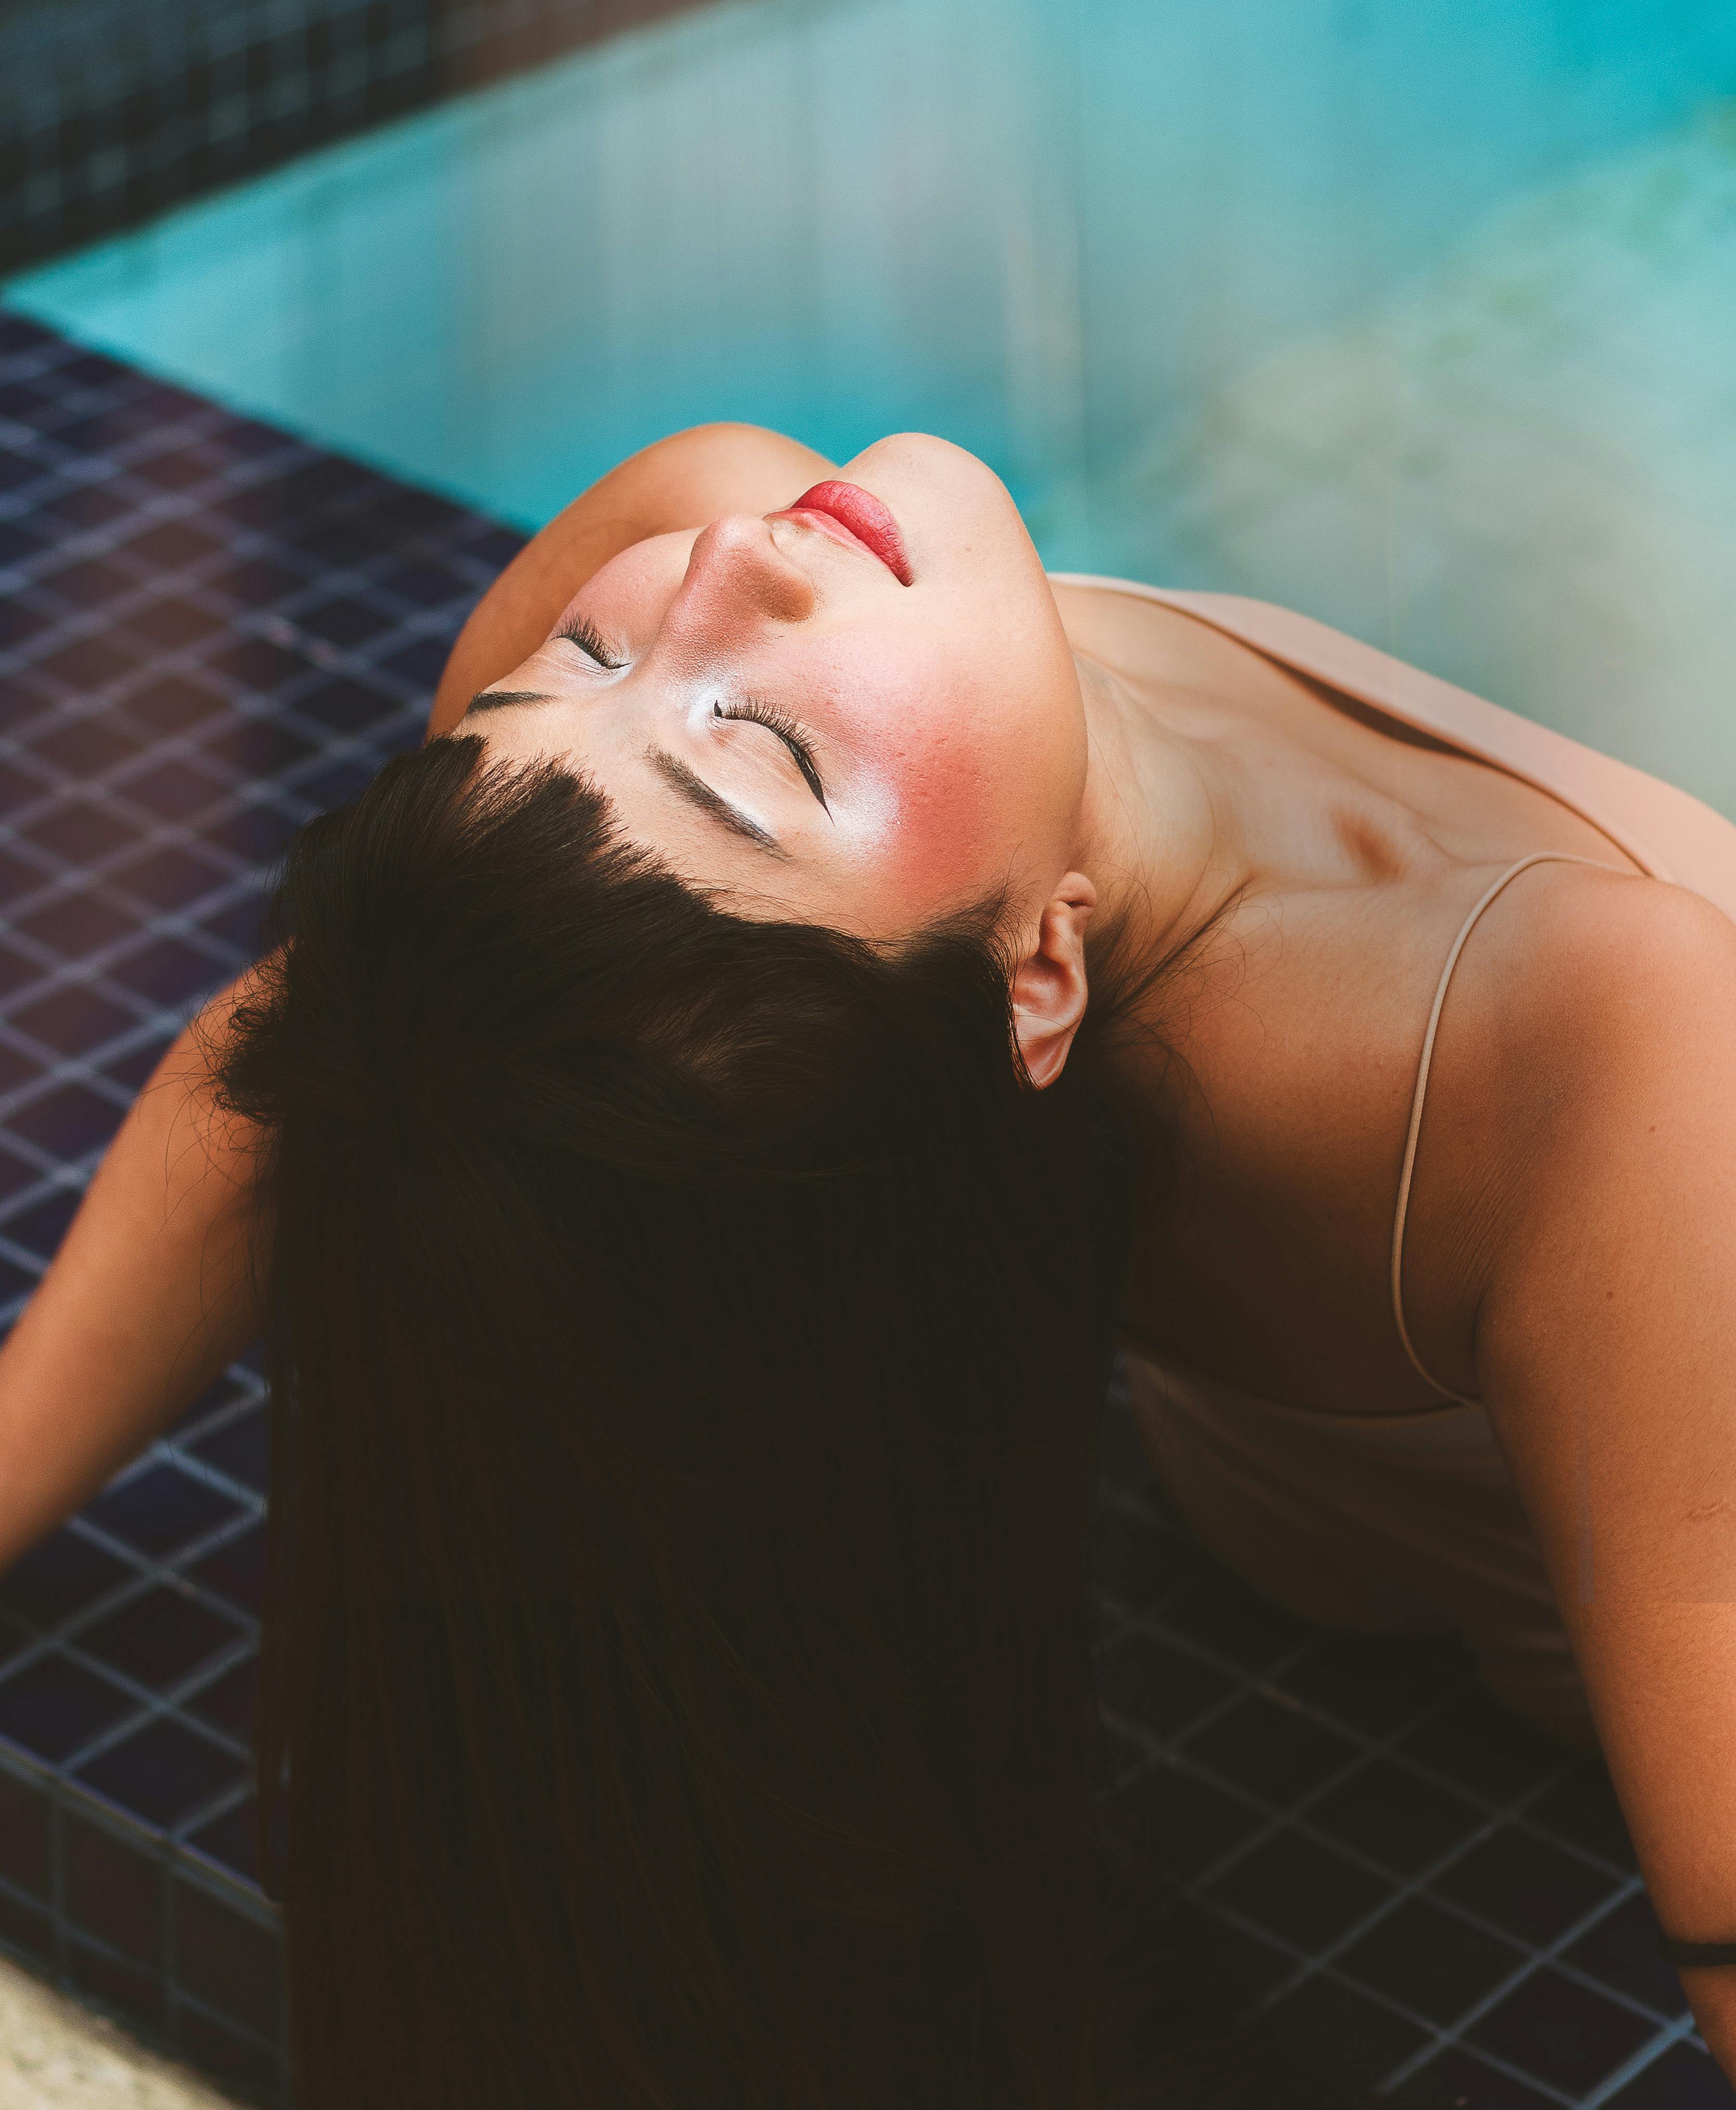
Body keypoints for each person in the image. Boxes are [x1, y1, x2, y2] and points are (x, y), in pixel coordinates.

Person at [1, 421, 1733, 2103]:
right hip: (1603, 1608)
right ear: (1032, 978)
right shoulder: (1590, 1041)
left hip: (1281, 1500)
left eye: (580, 660)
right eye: (762, 747)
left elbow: (378, 1063)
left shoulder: (714, 551)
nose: (725, 577)